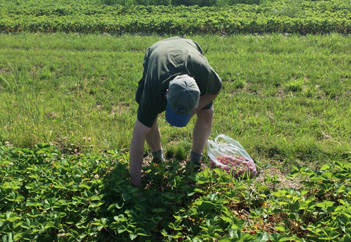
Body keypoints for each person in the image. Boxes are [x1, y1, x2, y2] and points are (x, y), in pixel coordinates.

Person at [129, 37, 222, 186]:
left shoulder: (204, 73)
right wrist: (135, 184)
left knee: (207, 113)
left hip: (188, 46)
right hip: (157, 51)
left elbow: (216, 90)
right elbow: (138, 136)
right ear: (166, 93)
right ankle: (157, 156)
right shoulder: (154, 89)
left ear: (198, 94)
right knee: (149, 118)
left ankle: (194, 161)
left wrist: (194, 111)